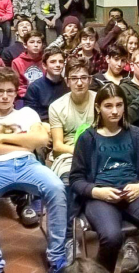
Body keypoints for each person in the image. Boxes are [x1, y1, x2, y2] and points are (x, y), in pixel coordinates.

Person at [0, 67, 67, 273]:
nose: (5, 96)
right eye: (0, 91)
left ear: (15, 93)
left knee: (57, 188)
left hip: (28, 164)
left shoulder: (27, 113)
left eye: (10, 91)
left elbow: (41, 139)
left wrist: (2, 138)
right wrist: (25, 143)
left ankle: (57, 257)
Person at [70, 83, 139, 273]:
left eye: (119, 105)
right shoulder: (87, 138)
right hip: (101, 197)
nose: (115, 111)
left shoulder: (135, 134)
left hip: (133, 193)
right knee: (112, 237)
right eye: (108, 106)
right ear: (98, 108)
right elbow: (76, 179)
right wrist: (97, 192)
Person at [49, 57, 96, 246]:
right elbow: (58, 146)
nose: (79, 82)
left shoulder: (100, 101)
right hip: (69, 155)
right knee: (69, 179)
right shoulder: (57, 106)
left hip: (100, 152)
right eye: (74, 78)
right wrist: (82, 152)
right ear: (67, 81)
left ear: (90, 80)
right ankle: (68, 237)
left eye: (83, 77)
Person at [24, 46, 69, 122]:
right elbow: (30, 115)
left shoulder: (68, 85)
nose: (58, 65)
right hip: (44, 124)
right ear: (44, 66)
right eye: (53, 62)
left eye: (61, 62)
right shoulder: (34, 87)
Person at [11, 30, 45, 98]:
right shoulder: (17, 62)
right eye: (32, 42)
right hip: (25, 97)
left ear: (42, 45)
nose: (36, 45)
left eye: (39, 42)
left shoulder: (46, 60)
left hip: (44, 95)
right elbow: (18, 85)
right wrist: (30, 95)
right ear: (25, 45)